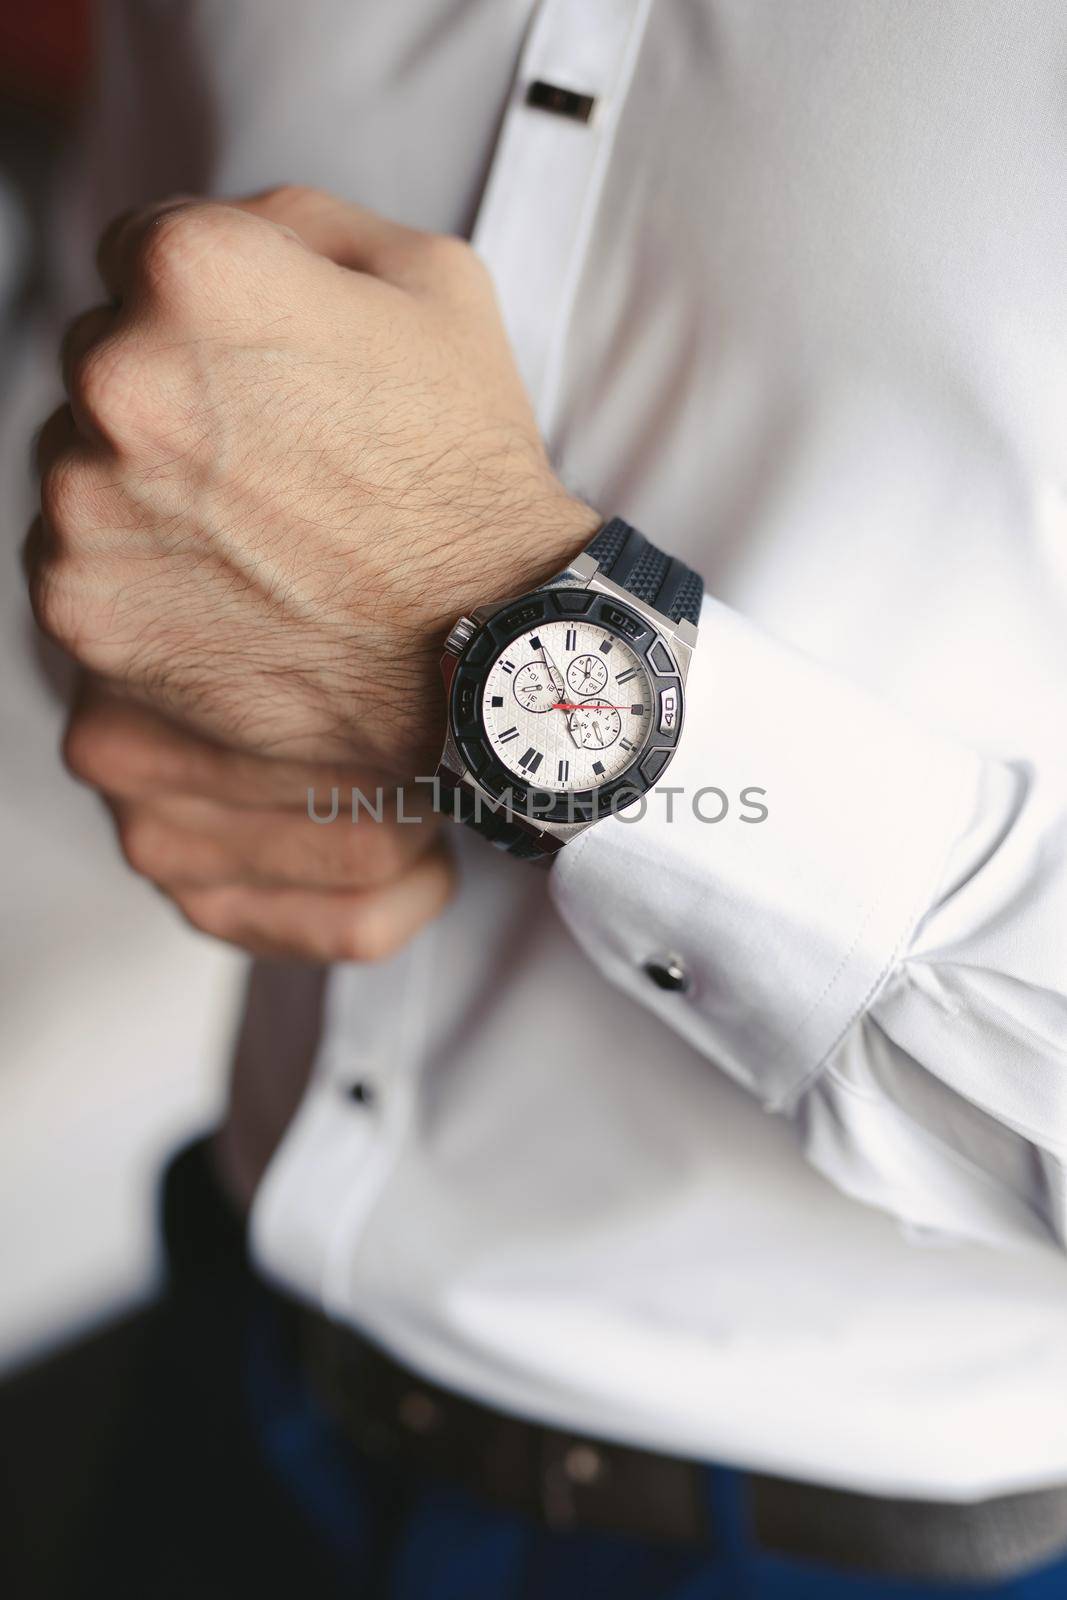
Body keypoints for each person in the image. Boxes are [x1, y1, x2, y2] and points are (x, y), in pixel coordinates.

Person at [16, 1, 1067, 1594]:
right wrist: (123, 657)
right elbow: (112, 388)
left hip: (873, 1543)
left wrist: (491, 617)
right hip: (227, 1386)